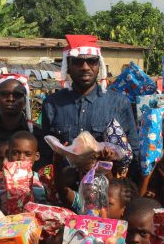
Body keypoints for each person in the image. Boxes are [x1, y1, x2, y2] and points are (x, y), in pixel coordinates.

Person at [41, 35, 140, 178]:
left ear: (99, 65)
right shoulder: (52, 104)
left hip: (107, 190)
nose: (85, 67)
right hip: (65, 190)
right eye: (77, 62)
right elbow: (45, 154)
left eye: (92, 61)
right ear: (67, 66)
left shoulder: (119, 103)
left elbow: (133, 151)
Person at [0, 74, 47, 172]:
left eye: (17, 95)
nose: (11, 99)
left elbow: (43, 170)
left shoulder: (37, 135)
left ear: (25, 101)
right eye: (5, 94)